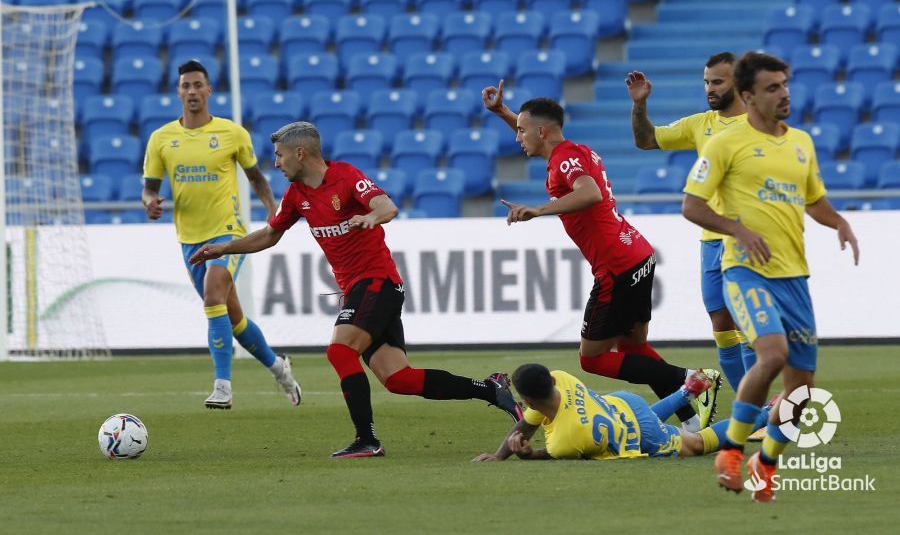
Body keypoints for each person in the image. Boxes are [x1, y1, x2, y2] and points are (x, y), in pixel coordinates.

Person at [189, 121, 524, 458]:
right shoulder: (297, 195)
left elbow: (387, 206)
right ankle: (490, 389)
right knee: (398, 379)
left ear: (300, 153)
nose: (276, 163)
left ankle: (367, 439)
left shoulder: (346, 177)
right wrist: (225, 248)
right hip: (363, 290)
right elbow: (270, 235)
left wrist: (371, 218)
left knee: (340, 351)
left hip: (377, 281)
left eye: (279, 155)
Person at [482, 85, 720, 432]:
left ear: (542, 131)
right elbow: (543, 140)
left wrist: (539, 209)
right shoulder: (572, 152)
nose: (517, 137)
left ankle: (693, 380)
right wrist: (505, 113)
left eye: (520, 130)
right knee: (633, 347)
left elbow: (589, 193)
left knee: (591, 358)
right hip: (636, 254)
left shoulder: (565, 160)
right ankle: (690, 417)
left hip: (616, 267)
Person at [682, 51, 860, 502]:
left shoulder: (800, 141)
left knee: (801, 392)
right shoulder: (724, 144)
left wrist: (837, 220)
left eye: (785, 84)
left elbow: (814, 199)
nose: (784, 94)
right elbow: (693, 205)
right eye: (772, 88)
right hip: (744, 270)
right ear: (748, 96)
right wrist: (738, 229)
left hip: (794, 277)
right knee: (773, 353)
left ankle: (766, 463)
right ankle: (732, 452)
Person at [142, 60, 301, 410]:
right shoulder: (161, 139)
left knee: (213, 294)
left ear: (209, 90)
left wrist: (271, 209)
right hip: (189, 238)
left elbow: (256, 177)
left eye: (199, 85)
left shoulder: (232, 133)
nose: (193, 91)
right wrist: (151, 202)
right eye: (186, 86)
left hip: (228, 231)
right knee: (233, 318)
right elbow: (149, 189)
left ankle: (223, 386)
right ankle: (279, 368)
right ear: (179, 91)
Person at [627, 52, 754, 394]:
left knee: (749, 323)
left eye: (718, 81)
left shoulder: (759, 125)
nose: (710, 89)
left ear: (739, 83)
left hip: (746, 238)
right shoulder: (701, 124)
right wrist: (640, 105)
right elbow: (646, 140)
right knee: (721, 325)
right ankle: (751, 410)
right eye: (707, 82)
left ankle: (756, 406)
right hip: (712, 239)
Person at [473, 363, 768, 462]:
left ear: (529, 401)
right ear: (550, 380)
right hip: (627, 404)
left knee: (700, 443)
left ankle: (768, 411)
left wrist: (526, 455)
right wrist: (501, 454)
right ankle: (686, 392)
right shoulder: (561, 378)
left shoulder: (566, 440)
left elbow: (546, 450)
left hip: (644, 436)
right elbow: (525, 427)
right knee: (640, 418)